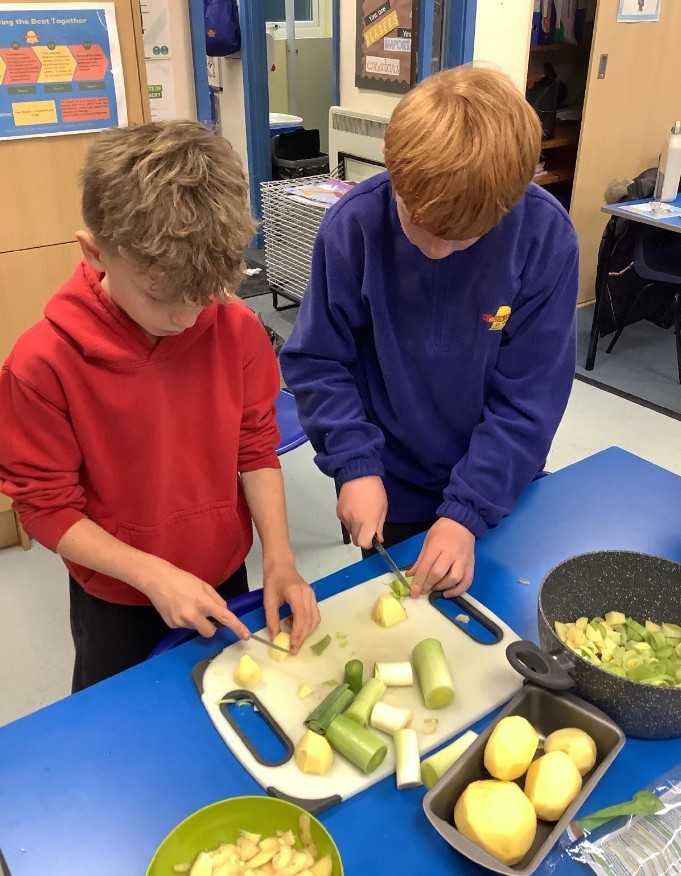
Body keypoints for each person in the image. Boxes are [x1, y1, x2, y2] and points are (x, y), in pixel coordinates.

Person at [0, 120, 320, 691]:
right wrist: (151, 575)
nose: (188, 317)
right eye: (159, 296)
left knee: (226, 707)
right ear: (95, 253)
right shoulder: (42, 365)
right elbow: (46, 507)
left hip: (222, 570)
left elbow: (254, 449)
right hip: (117, 592)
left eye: (205, 295)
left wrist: (279, 558)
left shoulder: (237, 329)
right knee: (122, 723)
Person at [280, 65, 578, 601]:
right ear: (392, 167)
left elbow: (530, 399)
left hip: (499, 486)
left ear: (507, 204)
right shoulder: (353, 226)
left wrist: (468, 511)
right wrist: (354, 464)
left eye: (460, 237)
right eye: (415, 220)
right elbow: (320, 361)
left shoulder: (544, 237)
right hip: (389, 485)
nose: (435, 250)